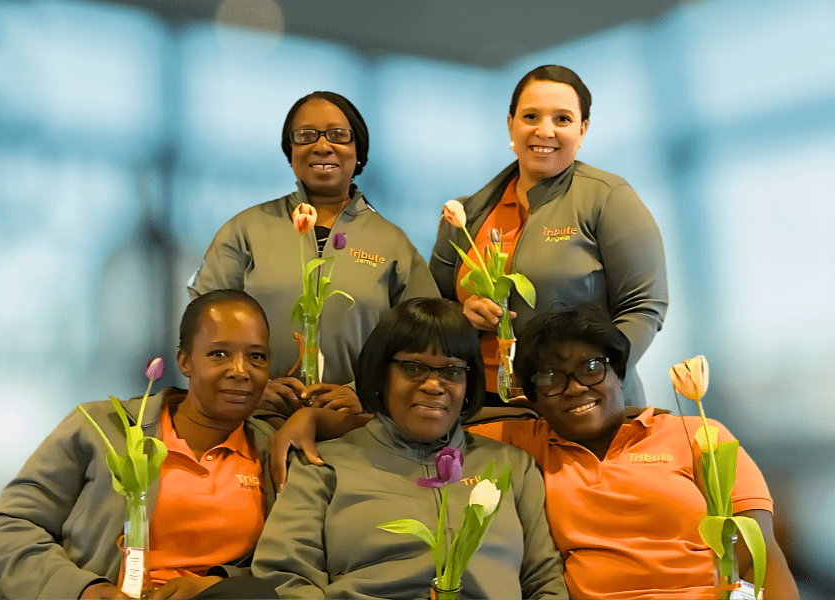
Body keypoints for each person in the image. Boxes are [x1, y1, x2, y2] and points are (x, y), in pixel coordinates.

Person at [468, 305, 799, 599]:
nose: (576, 387)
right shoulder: (525, 442)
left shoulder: (697, 433)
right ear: (533, 396)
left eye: (591, 368)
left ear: (618, 373)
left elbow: (761, 556)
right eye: (551, 378)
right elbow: (438, 423)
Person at [0, 290, 280, 600]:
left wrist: (215, 586)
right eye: (219, 354)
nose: (240, 371)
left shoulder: (275, 453)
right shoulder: (99, 428)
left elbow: (288, 568)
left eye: (256, 356)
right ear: (185, 361)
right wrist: (83, 591)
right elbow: (1, 531)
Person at [251, 298, 567, 599]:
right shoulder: (321, 466)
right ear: (380, 373)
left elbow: (544, 580)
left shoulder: (511, 466)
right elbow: (286, 575)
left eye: (451, 371)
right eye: (413, 368)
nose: (433, 385)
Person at [188, 91, 440, 416]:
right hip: (255, 424)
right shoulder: (246, 230)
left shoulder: (392, 243)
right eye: (306, 136)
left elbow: (429, 342)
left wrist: (367, 394)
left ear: (358, 152)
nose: (322, 146)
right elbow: (200, 327)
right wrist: (250, 387)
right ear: (290, 152)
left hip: (357, 431)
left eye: (338, 135)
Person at [429, 65, 668, 407]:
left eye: (562, 119)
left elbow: (644, 306)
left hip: (581, 403)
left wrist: (592, 378)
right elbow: (433, 306)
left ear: (582, 129)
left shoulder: (608, 197)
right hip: (479, 406)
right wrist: (463, 316)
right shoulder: (465, 214)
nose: (545, 131)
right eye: (531, 116)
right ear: (511, 123)